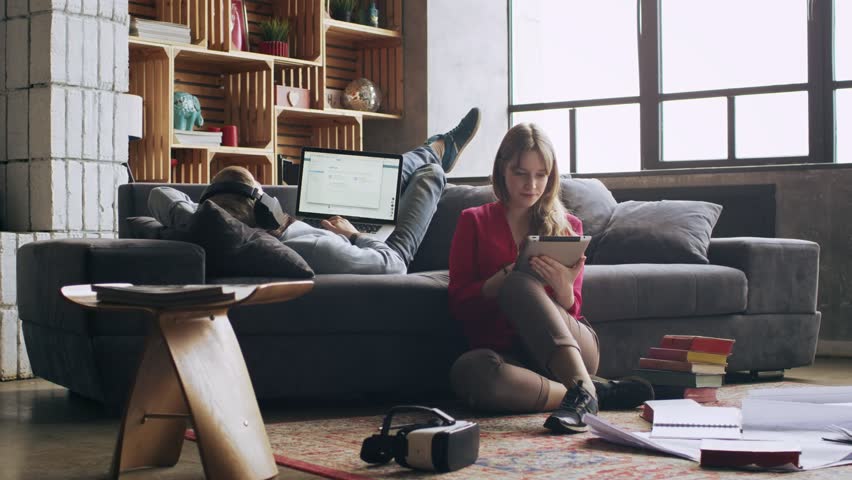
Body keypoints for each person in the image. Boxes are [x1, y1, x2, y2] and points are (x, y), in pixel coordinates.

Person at [447, 123, 654, 434]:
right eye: (521, 173)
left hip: (572, 348)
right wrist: (503, 277)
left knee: (520, 283)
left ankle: (582, 387)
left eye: (541, 174)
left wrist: (564, 289)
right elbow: (459, 303)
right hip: (509, 355)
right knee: (469, 373)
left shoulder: (568, 225)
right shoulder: (474, 221)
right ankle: (592, 393)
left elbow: (573, 311)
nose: (531, 184)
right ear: (503, 169)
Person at [147, 108, 481, 275]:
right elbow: (392, 265)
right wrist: (354, 236)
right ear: (264, 206)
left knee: (384, 174)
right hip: (383, 250)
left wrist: (200, 213)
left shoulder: (206, 229)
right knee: (430, 175)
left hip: (315, 228)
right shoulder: (311, 248)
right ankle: (435, 153)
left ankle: (433, 148)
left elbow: (159, 195)